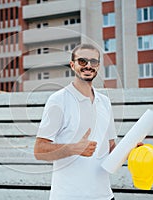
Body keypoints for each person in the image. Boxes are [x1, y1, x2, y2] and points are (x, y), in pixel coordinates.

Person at [34, 43, 117, 200]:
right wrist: (74, 148)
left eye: (93, 62)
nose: (88, 66)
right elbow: (39, 150)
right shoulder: (58, 100)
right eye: (82, 61)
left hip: (104, 196)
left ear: (98, 66)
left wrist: (131, 150)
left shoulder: (104, 102)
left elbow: (111, 147)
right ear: (72, 65)